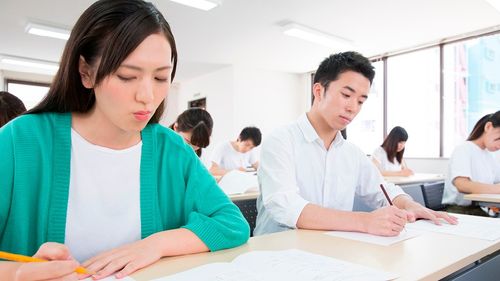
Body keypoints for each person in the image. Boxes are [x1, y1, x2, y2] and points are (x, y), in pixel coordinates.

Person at [0, 0, 249, 280]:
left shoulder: (173, 150)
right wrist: (16, 272)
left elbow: (232, 224)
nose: (147, 96)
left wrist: (156, 245)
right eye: (127, 76)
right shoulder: (20, 141)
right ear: (86, 73)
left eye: (160, 77)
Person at [254, 51, 457, 236]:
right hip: (279, 252)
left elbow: (381, 190)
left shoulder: (352, 153)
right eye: (346, 95)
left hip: (334, 251)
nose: (353, 108)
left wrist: (408, 204)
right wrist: (364, 221)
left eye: (361, 101)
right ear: (318, 91)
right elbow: (285, 206)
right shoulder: (281, 140)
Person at [442, 111, 500, 216]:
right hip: (460, 210)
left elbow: (496, 180)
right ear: (488, 127)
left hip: (481, 208)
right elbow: (462, 185)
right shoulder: (464, 149)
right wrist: (496, 189)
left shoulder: (489, 154)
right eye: (499, 138)